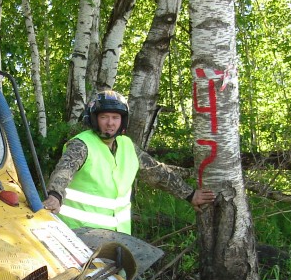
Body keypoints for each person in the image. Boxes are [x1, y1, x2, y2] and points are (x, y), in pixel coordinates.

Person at [43, 90, 215, 233]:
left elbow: (158, 172)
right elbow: (64, 171)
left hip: (118, 237)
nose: (110, 123)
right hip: (78, 234)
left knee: (122, 275)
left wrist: (190, 195)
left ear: (122, 121)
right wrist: (55, 196)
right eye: (104, 117)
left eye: (115, 118)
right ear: (94, 119)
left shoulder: (127, 146)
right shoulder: (81, 144)